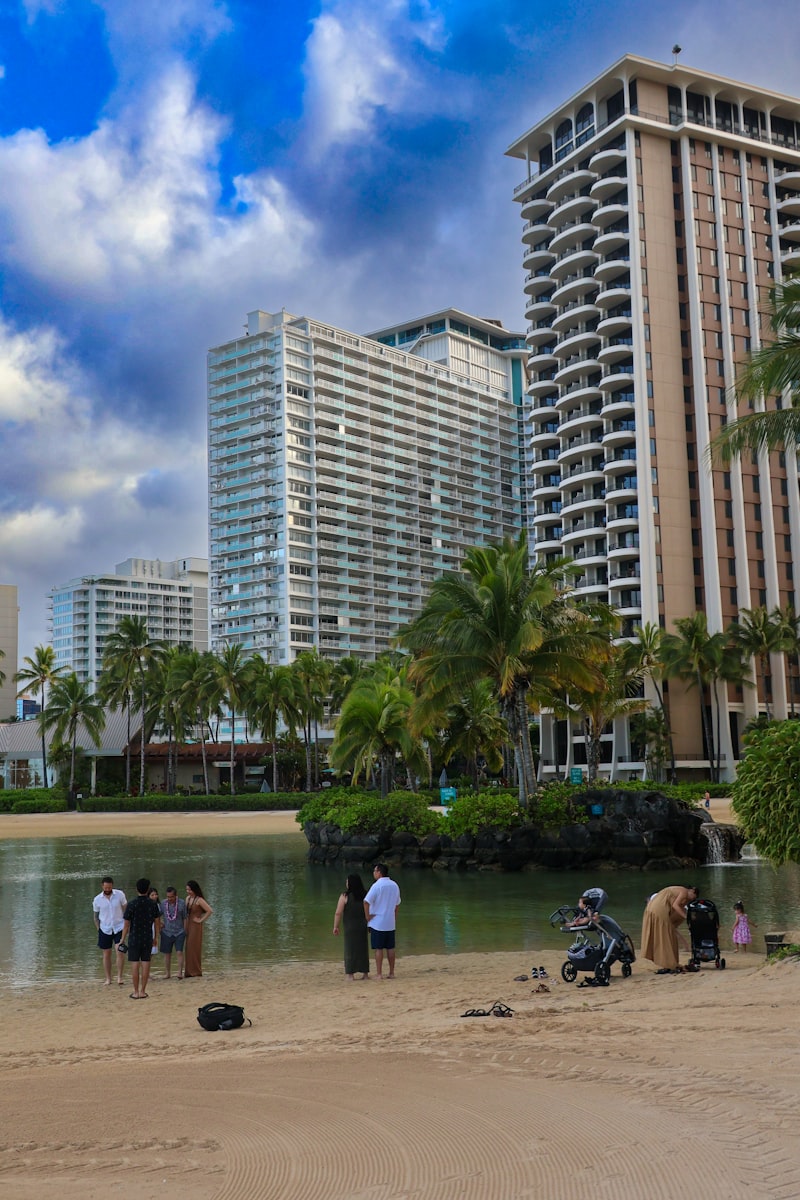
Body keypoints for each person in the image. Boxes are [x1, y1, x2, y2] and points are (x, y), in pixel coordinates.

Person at [640, 884, 699, 973]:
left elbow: (677, 907)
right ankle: (670, 963)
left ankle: (669, 963)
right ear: (692, 891)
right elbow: (676, 905)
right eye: (693, 897)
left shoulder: (680, 893)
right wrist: (687, 917)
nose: (691, 899)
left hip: (653, 908)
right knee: (667, 938)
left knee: (666, 936)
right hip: (659, 909)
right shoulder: (684, 891)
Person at [120, 877, 162, 999]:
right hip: (147, 937)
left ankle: (135, 991)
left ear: (136, 889)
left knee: (134, 963)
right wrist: (156, 937)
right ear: (148, 889)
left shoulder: (132, 904)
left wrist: (122, 939)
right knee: (146, 962)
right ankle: (143, 990)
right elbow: (157, 922)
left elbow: (126, 924)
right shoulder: (152, 904)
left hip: (134, 937)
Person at [363, 863, 401, 980]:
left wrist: (367, 917)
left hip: (378, 922)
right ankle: (391, 972)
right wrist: (394, 917)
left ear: (379, 872)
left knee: (378, 948)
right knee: (390, 948)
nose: (374, 873)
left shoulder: (377, 886)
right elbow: (397, 904)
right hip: (390, 921)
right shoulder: (394, 885)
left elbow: (366, 901)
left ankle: (379, 973)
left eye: (375, 871)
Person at [333, 874, 370, 980]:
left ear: (350, 883)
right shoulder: (365, 895)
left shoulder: (345, 896)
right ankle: (365, 973)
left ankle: (350, 974)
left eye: (347, 881)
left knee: (350, 949)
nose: (346, 883)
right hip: (362, 925)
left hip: (350, 927)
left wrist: (336, 926)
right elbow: (370, 910)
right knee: (363, 948)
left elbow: (338, 913)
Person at [92, 875, 127, 986]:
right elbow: (96, 916)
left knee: (120, 951)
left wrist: (127, 926)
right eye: (106, 888)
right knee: (106, 954)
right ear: (102, 886)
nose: (108, 890)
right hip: (105, 928)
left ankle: (120, 977)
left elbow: (126, 911)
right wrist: (98, 929)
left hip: (119, 927)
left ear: (112, 886)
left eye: (109, 888)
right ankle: (108, 978)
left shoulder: (120, 895)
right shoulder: (97, 899)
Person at [184, 880, 213, 978]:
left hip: (196, 926)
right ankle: (188, 971)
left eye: (190, 889)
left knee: (194, 947)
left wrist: (201, 920)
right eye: (187, 889)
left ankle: (196, 971)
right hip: (188, 924)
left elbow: (209, 910)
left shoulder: (199, 900)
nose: (188, 891)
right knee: (188, 948)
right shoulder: (187, 898)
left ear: (194, 889)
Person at [159, 885, 187, 979]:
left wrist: (185, 930)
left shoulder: (182, 903)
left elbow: (185, 917)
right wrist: (160, 924)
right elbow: (157, 916)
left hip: (179, 931)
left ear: (176, 896)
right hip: (166, 932)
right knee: (167, 954)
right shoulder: (163, 903)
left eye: (171, 897)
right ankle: (167, 973)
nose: (170, 898)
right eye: (168, 897)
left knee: (179, 952)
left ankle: (180, 972)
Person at [148, 888, 162, 960]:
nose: (155, 896)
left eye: (156, 894)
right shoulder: (147, 905)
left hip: (155, 928)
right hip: (149, 928)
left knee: (151, 953)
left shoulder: (158, 905)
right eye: (152, 895)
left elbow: (158, 918)